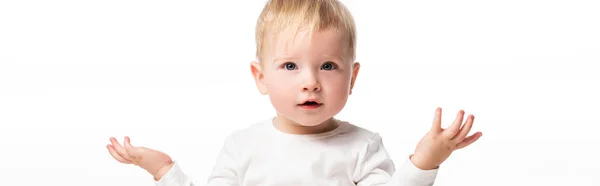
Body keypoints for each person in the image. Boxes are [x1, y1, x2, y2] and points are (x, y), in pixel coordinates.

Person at [106, 0, 483, 185]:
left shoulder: (362, 147)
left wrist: (425, 160)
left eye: (328, 66)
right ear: (260, 77)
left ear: (352, 78)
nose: (310, 82)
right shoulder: (243, 146)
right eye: (290, 66)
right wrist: (163, 169)